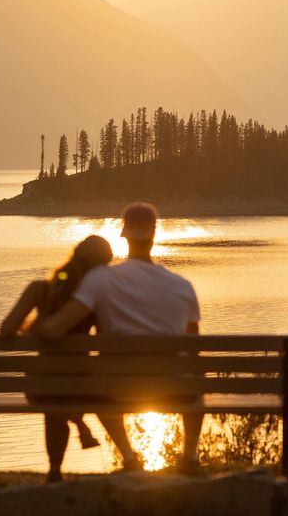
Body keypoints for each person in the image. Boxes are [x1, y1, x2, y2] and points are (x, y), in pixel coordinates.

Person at [33, 202, 204, 475]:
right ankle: (191, 457)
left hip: (115, 389)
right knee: (195, 383)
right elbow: (193, 351)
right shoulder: (183, 286)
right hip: (176, 389)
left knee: (97, 383)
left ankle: (129, 458)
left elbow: (55, 328)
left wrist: (34, 317)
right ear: (154, 234)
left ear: (123, 235)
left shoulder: (101, 279)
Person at [0, 235, 113, 482]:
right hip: (82, 386)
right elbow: (105, 340)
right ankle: (79, 423)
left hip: (41, 385)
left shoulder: (38, 289)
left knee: (53, 390)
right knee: (73, 383)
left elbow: (6, 329)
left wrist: (30, 328)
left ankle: (54, 469)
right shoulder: (93, 299)